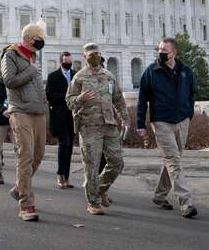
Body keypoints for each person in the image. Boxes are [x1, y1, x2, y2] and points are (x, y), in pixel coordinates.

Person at [137, 37, 198, 219]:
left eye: (165, 51)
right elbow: (142, 100)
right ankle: (185, 202)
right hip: (161, 121)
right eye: (159, 50)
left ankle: (159, 195)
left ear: (174, 53)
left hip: (181, 120)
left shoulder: (186, 71)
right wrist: (141, 124)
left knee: (174, 159)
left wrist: (188, 114)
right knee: (173, 160)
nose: (161, 53)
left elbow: (192, 94)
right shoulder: (151, 71)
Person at [66, 43, 129, 216]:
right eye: (90, 55)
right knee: (91, 165)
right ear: (84, 57)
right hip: (89, 126)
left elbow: (118, 99)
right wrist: (80, 98)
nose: (94, 57)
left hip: (109, 125)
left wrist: (125, 119)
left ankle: (99, 189)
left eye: (96, 54)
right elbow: (69, 101)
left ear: (100, 56)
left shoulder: (108, 76)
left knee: (117, 163)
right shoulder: (79, 77)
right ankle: (93, 202)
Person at [1, 22, 47, 222]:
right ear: (30, 39)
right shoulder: (10, 54)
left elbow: (36, 84)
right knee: (25, 155)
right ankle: (26, 204)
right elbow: (8, 80)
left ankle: (20, 188)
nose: (42, 42)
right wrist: (31, 70)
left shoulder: (33, 56)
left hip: (38, 111)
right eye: (40, 38)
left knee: (38, 155)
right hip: (20, 110)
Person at [45, 52, 76, 189]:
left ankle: (66, 177)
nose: (68, 64)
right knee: (64, 144)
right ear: (61, 62)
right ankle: (60, 175)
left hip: (73, 117)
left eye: (70, 61)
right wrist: (67, 96)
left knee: (70, 147)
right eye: (66, 61)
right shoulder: (53, 76)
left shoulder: (76, 75)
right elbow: (50, 95)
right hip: (59, 116)